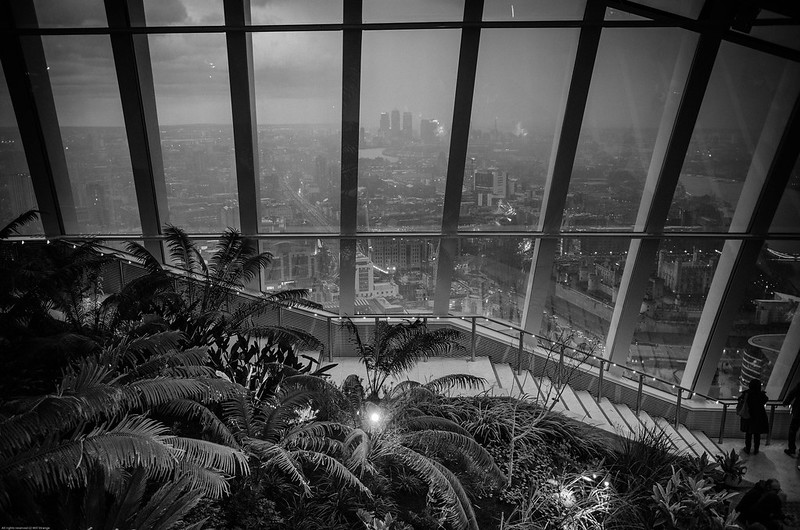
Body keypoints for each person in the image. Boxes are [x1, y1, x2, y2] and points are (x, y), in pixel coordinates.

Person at [740, 378, 769, 455]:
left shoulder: (747, 393)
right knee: (757, 434)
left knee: (748, 433)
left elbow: (740, 400)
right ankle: (756, 449)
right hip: (759, 416)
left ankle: (748, 448)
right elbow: (765, 400)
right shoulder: (761, 394)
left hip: (749, 415)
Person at [783, 381, 800, 457]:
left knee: (792, 430)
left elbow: (792, 394)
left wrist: (786, 402)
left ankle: (792, 449)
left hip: (799, 412)